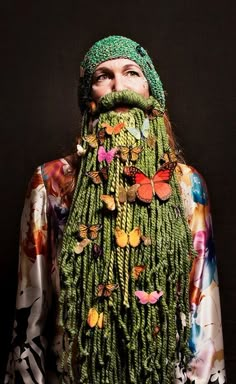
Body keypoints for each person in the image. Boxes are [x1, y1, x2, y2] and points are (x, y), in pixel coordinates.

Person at [5, 35, 226, 384]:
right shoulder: (51, 184)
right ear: (88, 98)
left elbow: (203, 309)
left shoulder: (187, 186)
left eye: (131, 73)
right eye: (102, 76)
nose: (118, 86)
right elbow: (30, 311)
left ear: (150, 93)